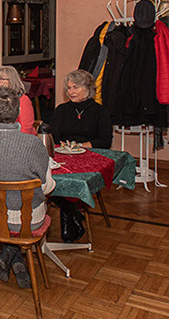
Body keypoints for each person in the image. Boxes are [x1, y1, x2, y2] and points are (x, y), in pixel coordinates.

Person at [0, 87, 56, 288]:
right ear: (18, 113)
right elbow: (47, 187)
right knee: (29, 206)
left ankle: (8, 255)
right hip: (26, 222)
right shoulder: (32, 143)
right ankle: (15, 257)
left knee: (4, 208)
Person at [51, 69, 112, 242]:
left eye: (75, 87)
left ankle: (68, 217)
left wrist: (80, 146)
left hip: (90, 157)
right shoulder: (61, 110)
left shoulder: (100, 112)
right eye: (69, 88)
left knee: (72, 180)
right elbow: (54, 136)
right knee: (46, 178)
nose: (71, 91)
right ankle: (74, 215)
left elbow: (105, 141)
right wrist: (66, 148)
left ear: (88, 88)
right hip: (63, 156)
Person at [0, 66, 36, 135]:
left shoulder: (23, 100)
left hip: (20, 137)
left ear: (12, 81)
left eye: (2, 79)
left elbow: (26, 128)